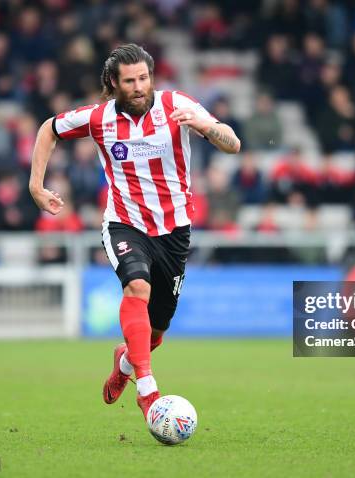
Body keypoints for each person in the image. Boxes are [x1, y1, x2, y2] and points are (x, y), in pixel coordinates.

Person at [28, 44, 240, 419]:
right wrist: (36, 186)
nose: (140, 86)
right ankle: (147, 389)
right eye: (130, 81)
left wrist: (206, 126)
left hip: (174, 229)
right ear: (114, 83)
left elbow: (233, 144)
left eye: (144, 78)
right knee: (136, 287)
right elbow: (49, 129)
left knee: (156, 331)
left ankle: (125, 364)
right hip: (124, 222)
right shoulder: (98, 119)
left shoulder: (177, 105)